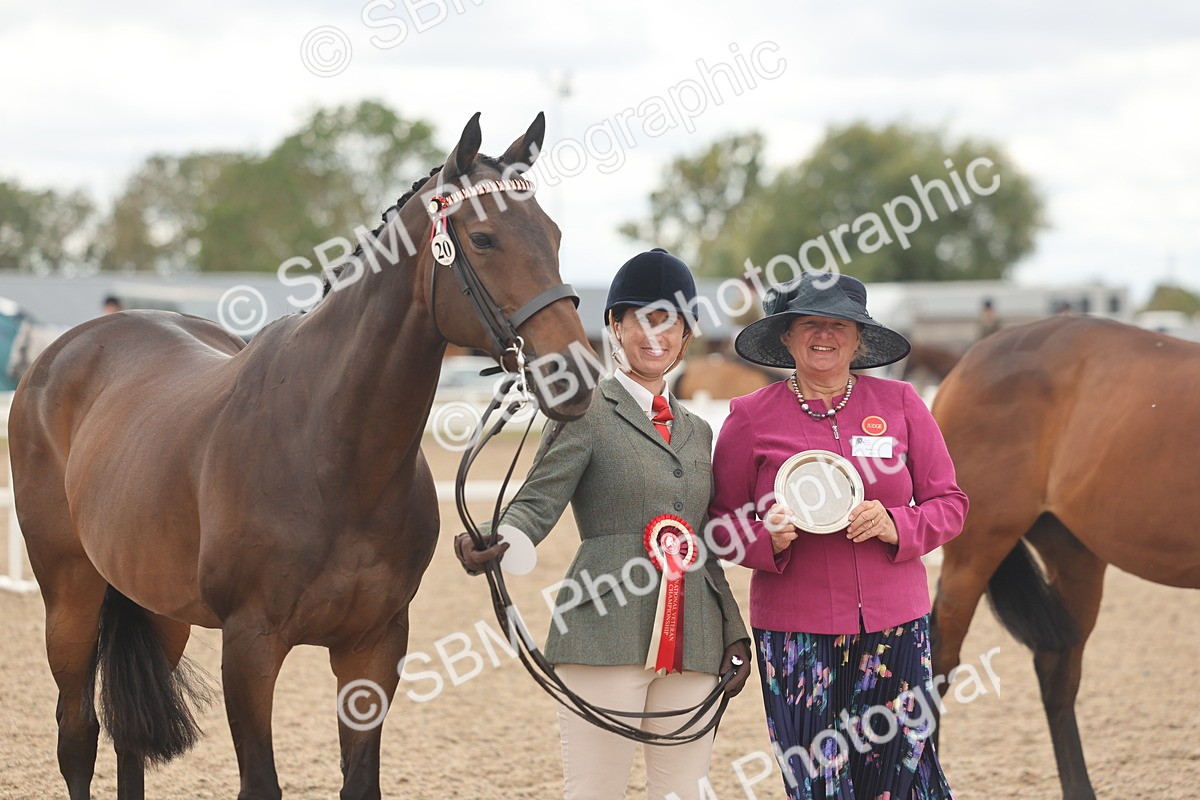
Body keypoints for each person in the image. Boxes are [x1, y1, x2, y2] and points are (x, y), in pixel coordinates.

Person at [456, 248, 752, 800]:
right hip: (602, 629)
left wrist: (733, 629)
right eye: (642, 318)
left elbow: (700, 544)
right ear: (614, 325)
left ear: (687, 334)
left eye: (671, 321)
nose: (656, 335)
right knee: (595, 791)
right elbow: (539, 499)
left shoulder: (698, 433)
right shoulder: (584, 410)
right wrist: (500, 538)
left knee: (685, 793)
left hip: (697, 639)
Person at [707, 271, 968, 799]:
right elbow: (719, 526)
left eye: (838, 325)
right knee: (818, 782)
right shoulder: (750, 418)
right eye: (809, 323)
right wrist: (767, 539)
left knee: (904, 777)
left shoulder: (901, 404)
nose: (823, 335)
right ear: (786, 336)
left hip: (897, 626)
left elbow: (951, 505)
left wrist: (898, 523)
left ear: (858, 338)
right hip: (795, 633)